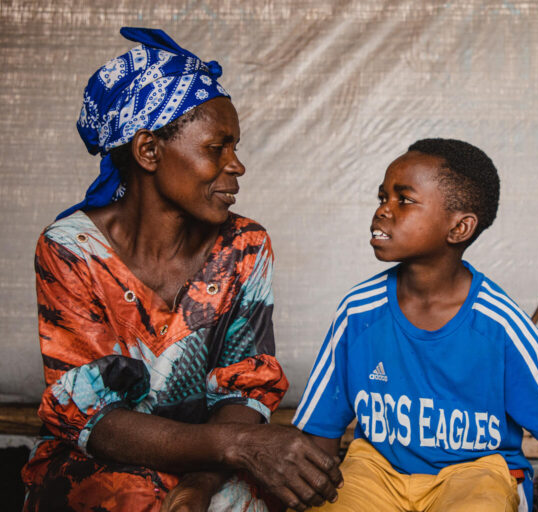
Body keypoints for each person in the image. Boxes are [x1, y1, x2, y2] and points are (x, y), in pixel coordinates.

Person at [21, 27, 341, 512]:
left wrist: (200, 483)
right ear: (149, 150)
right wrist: (239, 447)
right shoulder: (71, 250)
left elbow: (243, 387)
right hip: (101, 465)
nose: (237, 165)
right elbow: (94, 421)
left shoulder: (244, 245)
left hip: (207, 464)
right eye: (218, 147)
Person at [292, 139, 538, 512]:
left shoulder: (497, 323)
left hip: (476, 476)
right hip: (376, 471)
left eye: (403, 199)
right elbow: (320, 433)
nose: (382, 211)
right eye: (382, 197)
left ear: (459, 227)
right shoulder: (358, 312)